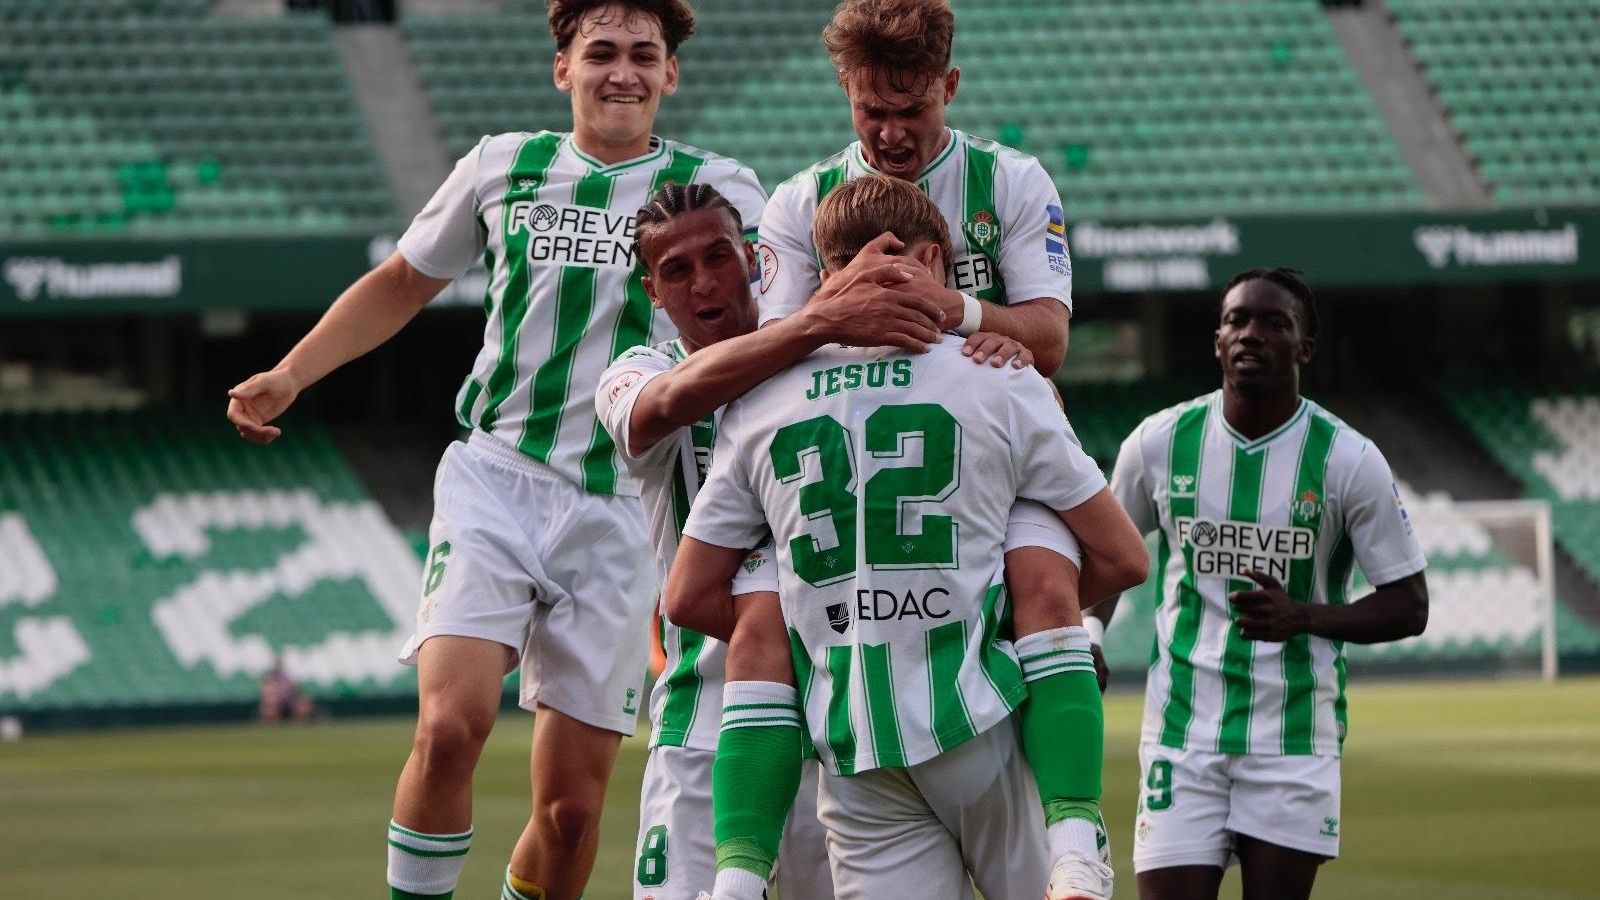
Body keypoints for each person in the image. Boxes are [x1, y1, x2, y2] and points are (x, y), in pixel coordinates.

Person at [225, 4, 777, 898]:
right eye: (600, 53)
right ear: (562, 68)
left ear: (671, 74)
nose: (622, 71)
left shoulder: (716, 188)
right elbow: (404, 279)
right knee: (450, 727)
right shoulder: (503, 166)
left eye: (645, 54)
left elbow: (779, 307)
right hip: (497, 477)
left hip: (621, 511)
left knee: (568, 818)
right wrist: (292, 374)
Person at [665, 175, 1148, 900]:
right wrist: (995, 610)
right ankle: (1075, 844)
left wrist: (826, 623)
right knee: (1037, 531)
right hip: (981, 716)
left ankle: (734, 882)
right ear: (932, 261)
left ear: (827, 274)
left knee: (761, 583)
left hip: (856, 747)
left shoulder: (760, 401)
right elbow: (1123, 557)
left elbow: (686, 596)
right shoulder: (999, 374)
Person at [597, 181, 1038, 898]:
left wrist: (984, 339)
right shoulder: (636, 371)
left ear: (753, 260)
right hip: (706, 721)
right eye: (676, 271)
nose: (704, 283)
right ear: (652, 289)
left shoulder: (836, 362)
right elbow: (670, 405)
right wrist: (815, 322)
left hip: (840, 719)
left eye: (719, 257)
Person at [1091, 268, 1430, 900]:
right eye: (1236, 320)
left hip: (1293, 736)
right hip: (1181, 732)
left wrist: (1302, 617)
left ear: (1304, 347)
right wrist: (1089, 631)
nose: (1251, 334)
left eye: (1273, 323)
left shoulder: (1347, 460)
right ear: (1217, 340)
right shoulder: (1159, 444)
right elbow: (1107, 556)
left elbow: (1410, 606)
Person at [756, 0, 1074, 376]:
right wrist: (834, 306)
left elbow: (1051, 343)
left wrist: (952, 307)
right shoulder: (797, 202)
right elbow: (772, 351)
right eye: (873, 112)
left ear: (950, 87)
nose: (891, 134)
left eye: (911, 111)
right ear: (845, 88)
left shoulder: (1013, 180)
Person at [258, 655, 313, 723]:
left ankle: (301, 722)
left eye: (279, 663)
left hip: (289, 698)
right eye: (277, 663)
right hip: (276, 699)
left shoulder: (288, 674)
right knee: (271, 702)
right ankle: (271, 722)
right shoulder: (270, 676)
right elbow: (266, 689)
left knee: (303, 700)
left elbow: (296, 687)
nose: (278, 665)